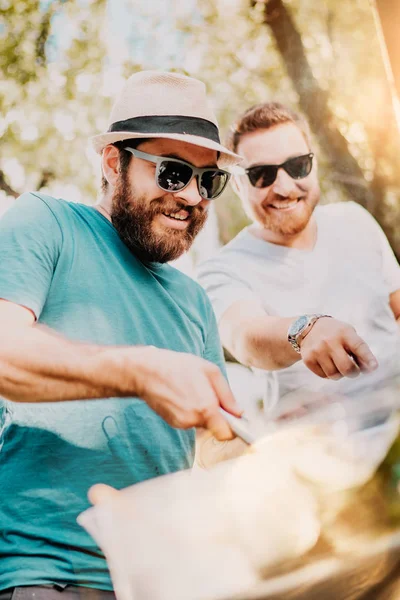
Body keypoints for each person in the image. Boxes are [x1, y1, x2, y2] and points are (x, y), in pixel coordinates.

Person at [0, 70, 243, 599]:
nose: (194, 198)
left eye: (209, 180)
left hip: (165, 583)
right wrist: (139, 371)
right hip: (51, 574)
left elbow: (213, 444)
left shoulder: (194, 301)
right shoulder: (46, 223)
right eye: (175, 173)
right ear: (114, 162)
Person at [198, 102, 400, 411]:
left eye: (297, 166)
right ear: (238, 184)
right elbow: (245, 337)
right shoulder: (222, 270)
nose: (284, 187)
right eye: (261, 175)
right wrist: (304, 331)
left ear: (313, 165)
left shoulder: (354, 219)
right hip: (321, 448)